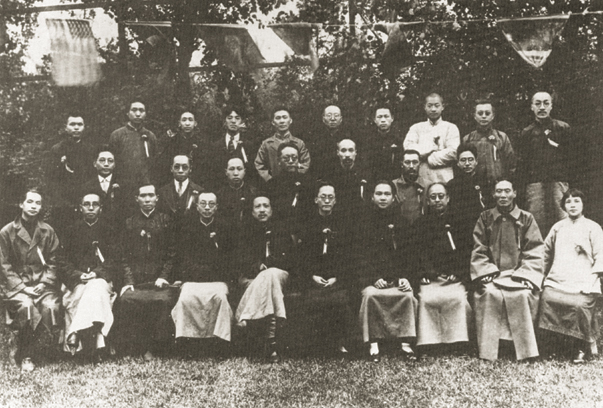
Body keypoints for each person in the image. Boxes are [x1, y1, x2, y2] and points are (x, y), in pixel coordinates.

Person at [471, 179, 544, 361]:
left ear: (514, 193)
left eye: (507, 191)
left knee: (522, 295)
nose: (503, 195)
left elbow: (534, 250)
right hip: (492, 275)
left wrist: (526, 275)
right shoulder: (485, 218)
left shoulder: (527, 218)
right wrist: (485, 272)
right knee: (489, 294)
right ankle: (491, 347)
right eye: (499, 191)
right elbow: (479, 249)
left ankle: (522, 348)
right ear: (493, 194)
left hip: (518, 275)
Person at [0, 189, 62, 372]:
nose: (34, 206)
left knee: (50, 307)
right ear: (21, 204)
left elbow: (55, 261)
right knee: (27, 307)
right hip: (17, 287)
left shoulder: (47, 231)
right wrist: (22, 287)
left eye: (38, 203)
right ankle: (25, 354)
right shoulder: (7, 232)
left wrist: (44, 282)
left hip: (43, 284)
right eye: (30, 202)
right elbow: (3, 265)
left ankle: (44, 349)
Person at [538, 189, 603, 363]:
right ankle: (553, 345)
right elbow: (545, 253)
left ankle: (580, 347)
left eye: (576, 201)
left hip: (584, 280)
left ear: (583, 204)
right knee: (546, 299)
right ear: (563, 206)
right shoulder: (558, 227)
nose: (572, 205)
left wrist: (592, 280)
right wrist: (540, 276)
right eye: (568, 202)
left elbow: (601, 256)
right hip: (559, 279)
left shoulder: (593, 227)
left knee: (579, 305)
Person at [113, 184, 177, 361]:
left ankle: (155, 347)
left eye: (151, 195)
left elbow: (173, 254)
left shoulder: (166, 221)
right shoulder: (129, 223)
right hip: (137, 281)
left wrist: (163, 276)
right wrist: (128, 280)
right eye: (143, 196)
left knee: (162, 301)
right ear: (137, 199)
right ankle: (133, 347)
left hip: (159, 282)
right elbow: (123, 256)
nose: (147, 200)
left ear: (157, 198)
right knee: (127, 300)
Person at [292, 183, 355, 354]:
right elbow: (301, 256)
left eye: (330, 197)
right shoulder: (307, 224)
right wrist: (312, 276)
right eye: (323, 197)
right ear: (316, 200)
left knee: (340, 300)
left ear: (335, 201)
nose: (327, 200)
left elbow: (347, 255)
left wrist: (336, 277)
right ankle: (314, 344)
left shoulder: (344, 224)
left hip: (336, 277)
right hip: (313, 277)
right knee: (312, 300)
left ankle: (340, 342)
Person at [357, 181, 417, 362]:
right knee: (371, 296)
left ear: (393, 198)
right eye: (379, 194)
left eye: (387, 194)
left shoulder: (403, 222)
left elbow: (409, 255)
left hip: (396, 279)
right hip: (372, 279)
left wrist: (404, 278)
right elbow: (360, 256)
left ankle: (405, 342)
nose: (383, 198)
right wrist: (374, 278)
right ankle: (373, 343)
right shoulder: (363, 223)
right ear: (372, 197)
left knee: (407, 296)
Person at [235, 195, 297, 363]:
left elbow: (289, 259)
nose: (262, 210)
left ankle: (243, 316)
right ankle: (271, 342)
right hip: (252, 276)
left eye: (266, 206)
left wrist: (267, 266)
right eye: (258, 206)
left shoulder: (281, 230)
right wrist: (257, 267)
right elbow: (240, 259)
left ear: (271, 209)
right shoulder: (245, 231)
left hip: (279, 275)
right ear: (252, 211)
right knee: (269, 284)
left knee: (270, 275)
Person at [171, 192, 235, 351]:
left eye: (211, 204)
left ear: (216, 207)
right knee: (186, 298)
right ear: (197, 207)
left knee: (220, 298)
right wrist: (199, 272)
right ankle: (188, 342)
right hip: (194, 279)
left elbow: (228, 260)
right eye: (203, 204)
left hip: (217, 279)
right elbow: (184, 259)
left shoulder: (225, 229)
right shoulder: (188, 229)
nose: (207, 208)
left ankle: (219, 342)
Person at [413, 183, 472, 353]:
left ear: (448, 198)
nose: (437, 200)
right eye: (433, 197)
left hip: (453, 277)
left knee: (458, 299)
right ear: (427, 201)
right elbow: (416, 253)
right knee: (426, 299)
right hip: (431, 277)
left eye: (441, 196)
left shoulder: (460, 222)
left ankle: (458, 342)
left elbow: (467, 251)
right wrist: (424, 273)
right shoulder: (420, 224)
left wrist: (458, 273)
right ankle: (430, 342)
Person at [60, 192, 117, 361]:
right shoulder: (70, 231)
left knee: (95, 286)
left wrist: (96, 273)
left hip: (102, 279)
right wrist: (79, 275)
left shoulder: (109, 230)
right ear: (80, 208)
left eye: (95, 204)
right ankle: (100, 342)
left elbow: (115, 260)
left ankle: (75, 332)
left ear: (101, 208)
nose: (91, 208)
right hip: (77, 281)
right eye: (86, 204)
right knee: (90, 290)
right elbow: (62, 261)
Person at [516, 91, 573, 235]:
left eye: (546, 103)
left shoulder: (563, 128)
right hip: (535, 184)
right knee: (535, 223)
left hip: (559, 182)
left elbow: (572, 158)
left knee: (564, 220)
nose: (542, 107)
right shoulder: (527, 133)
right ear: (532, 107)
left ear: (551, 106)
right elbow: (523, 164)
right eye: (538, 103)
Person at [47, 113, 95, 239]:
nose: (76, 127)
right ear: (66, 127)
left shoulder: (90, 150)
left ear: (84, 127)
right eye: (72, 124)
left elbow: (93, 178)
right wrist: (60, 203)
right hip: (62, 204)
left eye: (79, 124)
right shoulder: (57, 150)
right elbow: (51, 179)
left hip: (85, 202)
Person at [403, 93, 460, 187]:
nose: (433, 109)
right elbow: (409, 148)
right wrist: (430, 149)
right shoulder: (416, 128)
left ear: (442, 107)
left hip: (444, 177)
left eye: (437, 106)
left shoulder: (451, 127)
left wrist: (429, 158)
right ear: (424, 107)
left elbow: (453, 152)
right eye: (429, 106)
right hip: (422, 176)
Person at [109, 99, 158, 206]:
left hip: (145, 187)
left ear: (146, 114)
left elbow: (154, 163)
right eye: (134, 110)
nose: (138, 114)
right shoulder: (117, 135)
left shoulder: (150, 136)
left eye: (141, 110)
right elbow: (111, 162)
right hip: (123, 186)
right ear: (127, 113)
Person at [462, 100, 516, 184]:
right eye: (480, 113)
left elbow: (511, 163)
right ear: (474, 116)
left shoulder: (501, 137)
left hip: (498, 184)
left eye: (487, 113)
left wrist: (506, 181)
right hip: (474, 184)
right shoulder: (468, 139)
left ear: (493, 116)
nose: (484, 116)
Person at [447, 144, 493, 237]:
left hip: (482, 228)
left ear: (476, 161)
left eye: (470, 159)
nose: (467, 163)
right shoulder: (452, 185)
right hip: (460, 230)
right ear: (458, 163)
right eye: (463, 160)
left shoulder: (485, 182)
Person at [255, 107, 311, 182]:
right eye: (278, 118)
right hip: (273, 184)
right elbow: (259, 164)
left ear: (290, 120)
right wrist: (269, 180)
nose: (282, 121)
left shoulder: (299, 143)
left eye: (285, 117)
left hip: (295, 182)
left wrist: (297, 177)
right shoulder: (266, 144)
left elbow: (305, 163)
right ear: (273, 122)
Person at [209, 106, 259, 188]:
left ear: (242, 121)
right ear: (224, 121)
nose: (233, 121)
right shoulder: (215, 146)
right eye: (229, 118)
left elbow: (252, 172)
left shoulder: (249, 146)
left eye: (237, 118)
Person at [265, 143, 313, 228]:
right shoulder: (272, 184)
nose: (291, 161)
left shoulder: (308, 182)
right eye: (286, 158)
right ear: (279, 161)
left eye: (294, 158)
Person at [156, 110, 208, 187]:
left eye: (190, 120)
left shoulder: (201, 142)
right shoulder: (172, 141)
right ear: (179, 123)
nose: (187, 123)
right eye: (184, 120)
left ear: (195, 123)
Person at [324, 139, 372, 219]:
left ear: (355, 152)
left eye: (351, 150)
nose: (347, 155)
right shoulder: (330, 174)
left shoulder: (365, 174)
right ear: (337, 153)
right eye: (343, 150)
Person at [81, 146, 126, 227]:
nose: (106, 164)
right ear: (95, 163)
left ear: (115, 164)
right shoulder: (86, 186)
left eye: (110, 161)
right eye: (102, 160)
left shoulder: (124, 185)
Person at [157, 155, 204, 229]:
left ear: (190, 169)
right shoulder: (162, 192)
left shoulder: (199, 191)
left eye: (185, 167)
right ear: (171, 169)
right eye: (176, 167)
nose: (180, 171)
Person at [308, 105, 350, 177]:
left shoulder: (348, 136)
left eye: (336, 115)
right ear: (323, 119)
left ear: (341, 119)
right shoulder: (314, 137)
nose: (332, 119)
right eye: (329, 115)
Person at [364, 106, 405, 180]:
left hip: (394, 179)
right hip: (374, 179)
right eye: (379, 117)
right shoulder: (368, 140)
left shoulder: (399, 140)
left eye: (386, 116)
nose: (383, 120)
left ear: (392, 118)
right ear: (374, 120)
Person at [216, 157, 258, 227]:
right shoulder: (220, 194)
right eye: (231, 169)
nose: (235, 173)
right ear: (226, 172)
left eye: (239, 169)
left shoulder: (253, 193)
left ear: (244, 171)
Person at [393, 149, 424, 225]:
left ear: (420, 164)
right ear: (401, 164)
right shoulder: (393, 185)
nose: (411, 166)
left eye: (415, 162)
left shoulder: (428, 186)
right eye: (407, 162)